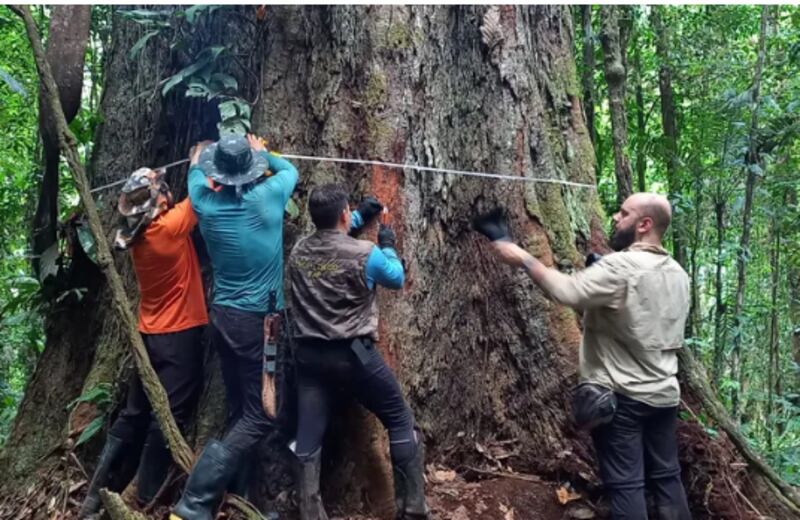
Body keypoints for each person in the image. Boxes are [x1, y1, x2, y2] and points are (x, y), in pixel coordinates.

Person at [480, 193, 692, 520]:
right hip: (664, 396)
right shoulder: (678, 273)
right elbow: (634, 312)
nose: (615, 217)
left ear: (644, 224)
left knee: (627, 487)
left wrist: (521, 255)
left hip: (622, 400)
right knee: (667, 479)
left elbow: (566, 292)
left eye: (624, 213)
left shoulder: (620, 267)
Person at [170, 134, 302, 520]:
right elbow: (289, 169)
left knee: (242, 408)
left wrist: (201, 155)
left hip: (223, 318)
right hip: (258, 324)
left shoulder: (204, 203)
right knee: (262, 414)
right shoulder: (269, 196)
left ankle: (240, 498)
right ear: (251, 170)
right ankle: (194, 502)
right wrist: (263, 152)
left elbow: (195, 167)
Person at [288, 183, 430, 520]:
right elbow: (395, 278)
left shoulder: (298, 251)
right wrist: (388, 244)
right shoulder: (366, 254)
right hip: (354, 354)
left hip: (309, 357)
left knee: (308, 437)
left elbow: (329, 240)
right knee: (399, 419)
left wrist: (357, 217)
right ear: (343, 213)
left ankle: (310, 513)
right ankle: (413, 508)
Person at [80, 168, 207, 518]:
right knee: (168, 415)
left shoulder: (136, 236)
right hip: (178, 336)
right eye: (160, 189)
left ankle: (94, 496)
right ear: (159, 203)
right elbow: (201, 192)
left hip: (148, 336)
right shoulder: (168, 228)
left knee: (133, 413)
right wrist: (198, 159)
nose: (165, 191)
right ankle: (145, 494)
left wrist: (148, 181)